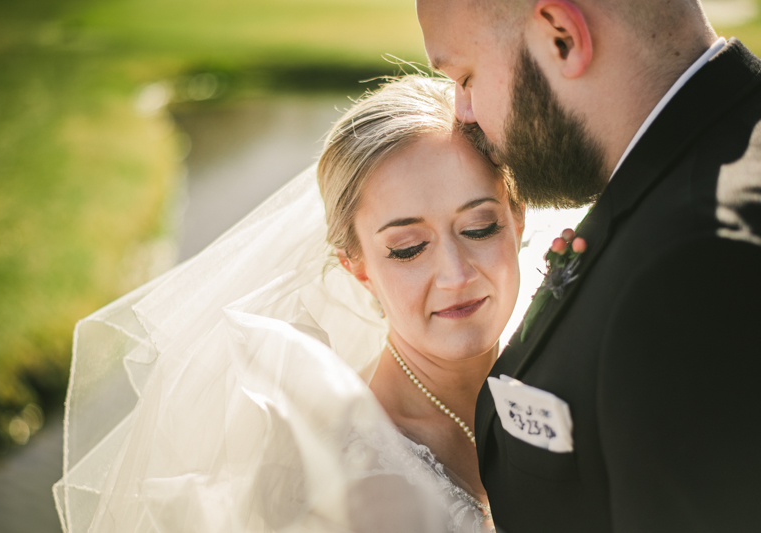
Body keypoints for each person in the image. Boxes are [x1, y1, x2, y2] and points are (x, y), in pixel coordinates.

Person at [54, 75, 547, 533]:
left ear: (517, 219)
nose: (457, 274)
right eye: (408, 248)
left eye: (479, 228)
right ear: (357, 266)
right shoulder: (344, 480)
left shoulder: (564, 374)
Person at [416, 1, 761, 532]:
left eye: (466, 76)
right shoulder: (701, 162)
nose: (462, 110)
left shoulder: (693, 266)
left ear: (562, 37)